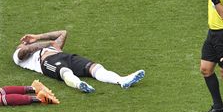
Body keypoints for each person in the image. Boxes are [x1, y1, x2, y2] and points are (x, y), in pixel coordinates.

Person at [13, 30, 145, 93]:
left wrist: (37, 37)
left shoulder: (51, 46)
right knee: (64, 72)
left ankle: (122, 81)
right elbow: (27, 49)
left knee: (94, 67)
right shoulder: (18, 56)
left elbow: (63, 33)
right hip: (47, 62)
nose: (22, 43)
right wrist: (47, 43)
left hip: (66, 56)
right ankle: (79, 84)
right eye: (20, 44)